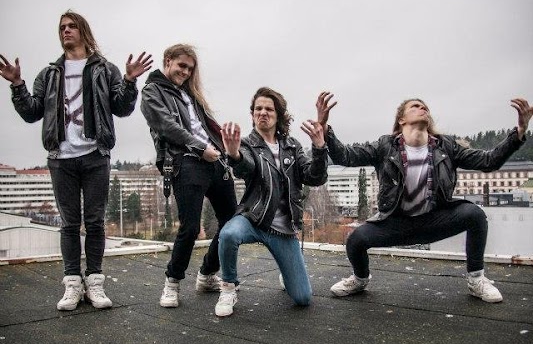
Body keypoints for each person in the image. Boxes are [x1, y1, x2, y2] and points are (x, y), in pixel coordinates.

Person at [0, 10, 153, 311]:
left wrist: (129, 81)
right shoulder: (49, 74)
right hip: (61, 158)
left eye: (71, 26)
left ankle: (94, 282)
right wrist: (17, 85)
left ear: (83, 31)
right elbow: (32, 112)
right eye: (62, 27)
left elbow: (122, 108)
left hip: (95, 155)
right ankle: (72, 283)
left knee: (95, 222)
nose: (66, 31)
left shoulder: (104, 69)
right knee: (69, 224)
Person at [315, 92, 532, 303]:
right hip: (396, 223)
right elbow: (345, 156)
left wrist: (520, 132)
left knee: (475, 215)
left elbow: (489, 161)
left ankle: (476, 280)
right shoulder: (385, 146)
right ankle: (360, 279)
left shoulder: (446, 146)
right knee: (355, 240)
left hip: (434, 220)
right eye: (415, 106)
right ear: (401, 119)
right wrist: (325, 127)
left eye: (425, 107)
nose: (423, 108)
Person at [214, 86, 328, 318]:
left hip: (283, 229)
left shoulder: (292, 146)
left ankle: (287, 273)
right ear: (252, 114)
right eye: (258, 109)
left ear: (278, 115)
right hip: (254, 218)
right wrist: (234, 155)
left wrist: (319, 148)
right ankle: (228, 287)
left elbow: (314, 178)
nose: (263, 113)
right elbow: (246, 167)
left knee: (303, 298)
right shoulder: (247, 144)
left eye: (269, 109)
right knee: (228, 234)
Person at [141, 44, 237, 307]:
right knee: (191, 227)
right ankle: (172, 283)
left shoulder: (191, 94)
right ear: (168, 61)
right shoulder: (152, 91)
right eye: (181, 65)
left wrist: (226, 150)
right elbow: (166, 126)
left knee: (232, 221)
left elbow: (207, 127)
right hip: (186, 161)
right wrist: (199, 148)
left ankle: (207, 274)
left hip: (215, 159)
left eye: (190, 69)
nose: (185, 72)